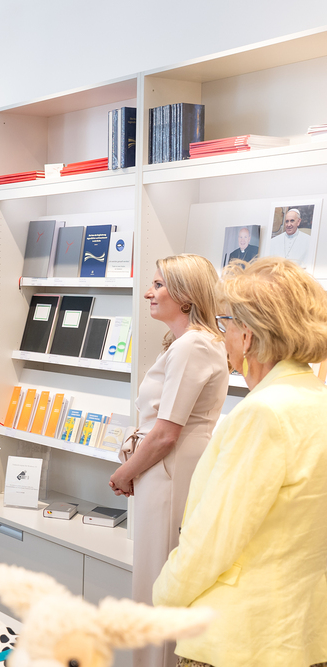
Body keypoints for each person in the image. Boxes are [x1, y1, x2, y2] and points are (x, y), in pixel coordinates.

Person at [154, 257, 327, 667]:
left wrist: (165, 595)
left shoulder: (264, 413)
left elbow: (215, 536)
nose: (223, 335)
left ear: (247, 336)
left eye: (226, 323)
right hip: (302, 632)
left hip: (240, 637)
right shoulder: (314, 400)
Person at [108, 254, 228, 667]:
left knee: (158, 584)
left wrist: (125, 472)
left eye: (158, 285)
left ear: (186, 294)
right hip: (169, 469)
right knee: (156, 580)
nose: (149, 293)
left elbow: (165, 433)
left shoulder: (193, 344)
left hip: (169, 471)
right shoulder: (192, 343)